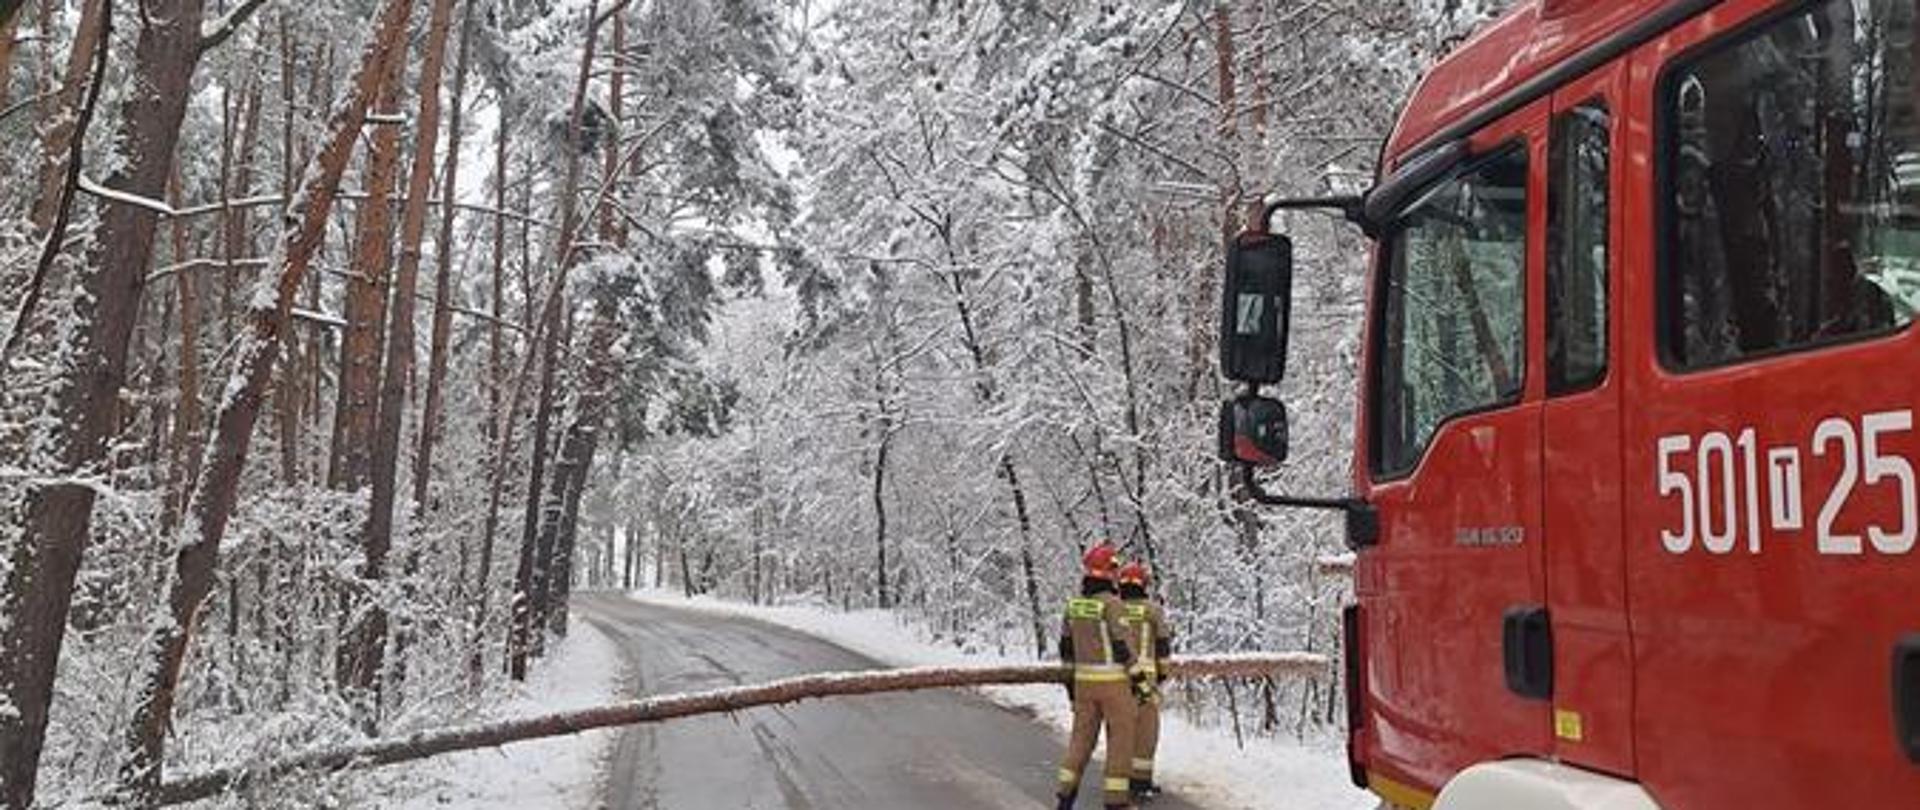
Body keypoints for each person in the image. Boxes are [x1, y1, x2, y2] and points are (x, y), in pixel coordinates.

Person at [1055, 541, 1145, 810]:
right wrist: (1140, 681)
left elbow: (1066, 650)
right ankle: (1116, 802)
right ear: (1109, 572)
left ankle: (1064, 795)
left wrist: (1071, 686)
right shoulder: (1112, 604)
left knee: (1080, 741)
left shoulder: (1073, 606)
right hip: (1114, 685)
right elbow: (1123, 648)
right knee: (1120, 741)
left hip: (1084, 685)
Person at [1118, 560, 1172, 801]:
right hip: (1146, 681)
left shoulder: (1113, 608)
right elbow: (1162, 645)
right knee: (1147, 733)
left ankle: (1120, 780)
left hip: (1117, 680)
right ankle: (1141, 783)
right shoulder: (1152, 610)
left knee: (1121, 731)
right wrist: (1163, 673)